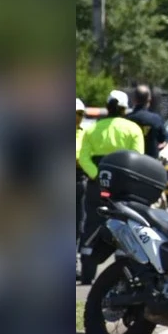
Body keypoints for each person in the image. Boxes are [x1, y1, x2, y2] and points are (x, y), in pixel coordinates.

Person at [77, 90, 145, 284]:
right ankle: (122, 276)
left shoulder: (92, 129)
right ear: (124, 109)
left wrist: (98, 176)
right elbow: (137, 158)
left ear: (107, 107)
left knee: (90, 227)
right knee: (126, 228)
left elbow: (83, 157)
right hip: (124, 188)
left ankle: (88, 275)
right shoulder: (133, 129)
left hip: (96, 185)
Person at [126, 84, 166, 160]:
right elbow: (162, 140)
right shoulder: (155, 119)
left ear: (134, 99)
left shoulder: (126, 119)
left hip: (131, 162)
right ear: (149, 99)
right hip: (150, 163)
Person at [76, 98, 90, 258]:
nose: (78, 116)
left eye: (80, 113)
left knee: (80, 221)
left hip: (80, 179)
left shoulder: (86, 133)